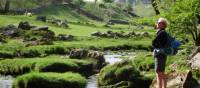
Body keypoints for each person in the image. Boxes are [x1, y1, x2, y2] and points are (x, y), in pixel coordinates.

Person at [152, 18, 169, 88]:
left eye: (159, 22)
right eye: (157, 22)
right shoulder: (162, 32)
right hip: (162, 54)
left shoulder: (161, 32)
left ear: (163, 25)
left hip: (160, 55)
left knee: (159, 72)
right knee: (160, 72)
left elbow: (153, 43)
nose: (158, 23)